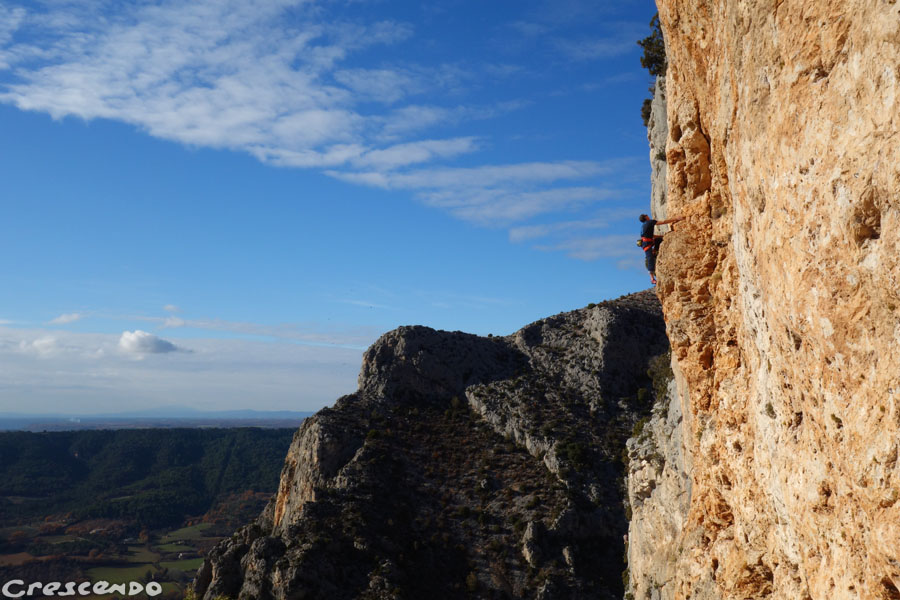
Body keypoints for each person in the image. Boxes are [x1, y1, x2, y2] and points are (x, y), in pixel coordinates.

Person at [639, 213, 686, 284]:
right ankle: (652, 278)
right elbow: (663, 222)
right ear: (645, 217)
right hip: (646, 244)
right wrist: (676, 218)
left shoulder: (644, 225)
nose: (648, 216)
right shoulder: (650, 222)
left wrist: (662, 236)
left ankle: (655, 251)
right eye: (646, 215)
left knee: (659, 240)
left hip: (647, 242)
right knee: (650, 258)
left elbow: (652, 236)